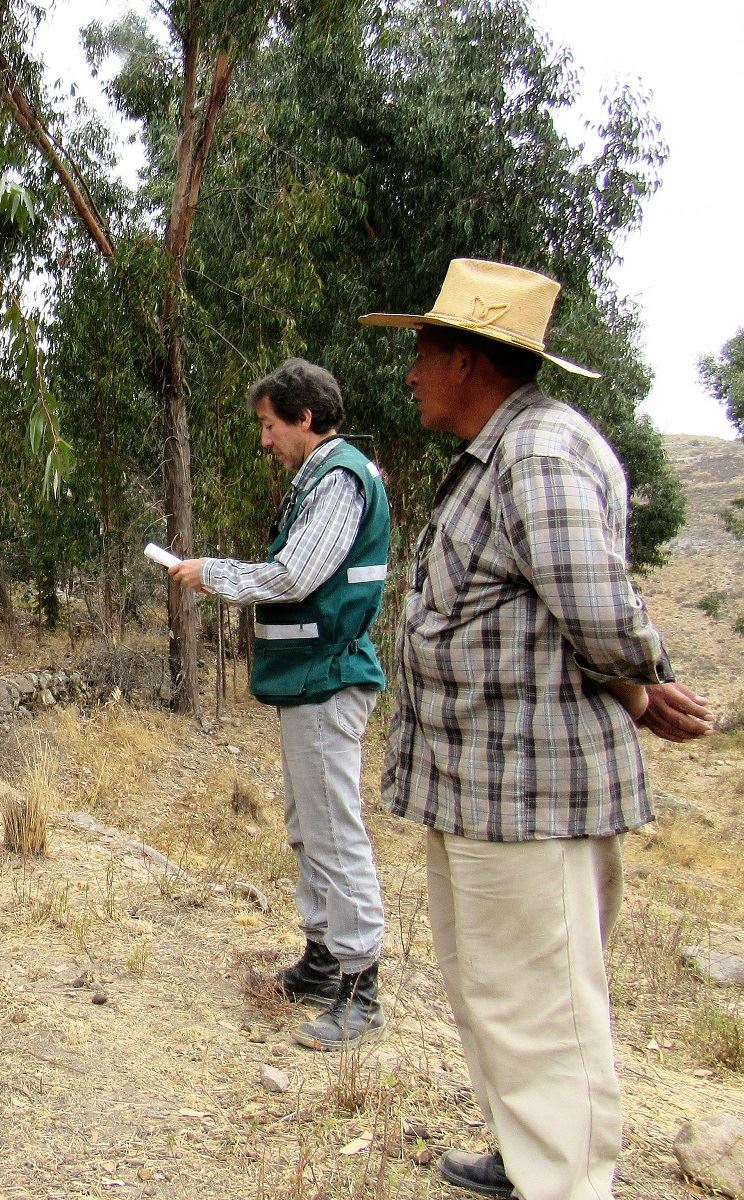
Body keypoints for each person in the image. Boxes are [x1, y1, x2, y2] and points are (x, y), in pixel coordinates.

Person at [361, 258, 714, 1200]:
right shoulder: (507, 450)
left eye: (425, 352)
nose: (411, 372)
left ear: (471, 362)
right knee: (494, 993)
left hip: (532, 796)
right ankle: (525, 1157)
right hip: (486, 790)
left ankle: (564, 1180)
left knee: (544, 1010)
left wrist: (643, 687)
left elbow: (598, 609)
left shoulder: (536, 455)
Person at [168, 357, 392, 1052]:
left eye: (269, 425)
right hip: (309, 680)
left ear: (304, 418)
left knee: (333, 830)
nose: (263, 440)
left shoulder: (338, 480)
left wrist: (215, 575)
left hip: (328, 676)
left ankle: (360, 988)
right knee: (309, 822)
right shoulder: (324, 479)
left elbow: (295, 575)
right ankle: (324, 959)